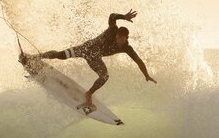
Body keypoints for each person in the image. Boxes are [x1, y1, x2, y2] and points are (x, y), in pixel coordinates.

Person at [25, 9, 156, 113]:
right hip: (86, 48)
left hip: (95, 58)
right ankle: (35, 57)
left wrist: (146, 75)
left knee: (104, 76)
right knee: (60, 55)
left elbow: (139, 61)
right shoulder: (112, 30)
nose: (119, 40)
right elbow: (112, 16)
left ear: (126, 38)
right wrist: (124, 16)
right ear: (116, 35)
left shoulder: (127, 48)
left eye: (122, 39)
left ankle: (89, 94)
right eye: (118, 38)